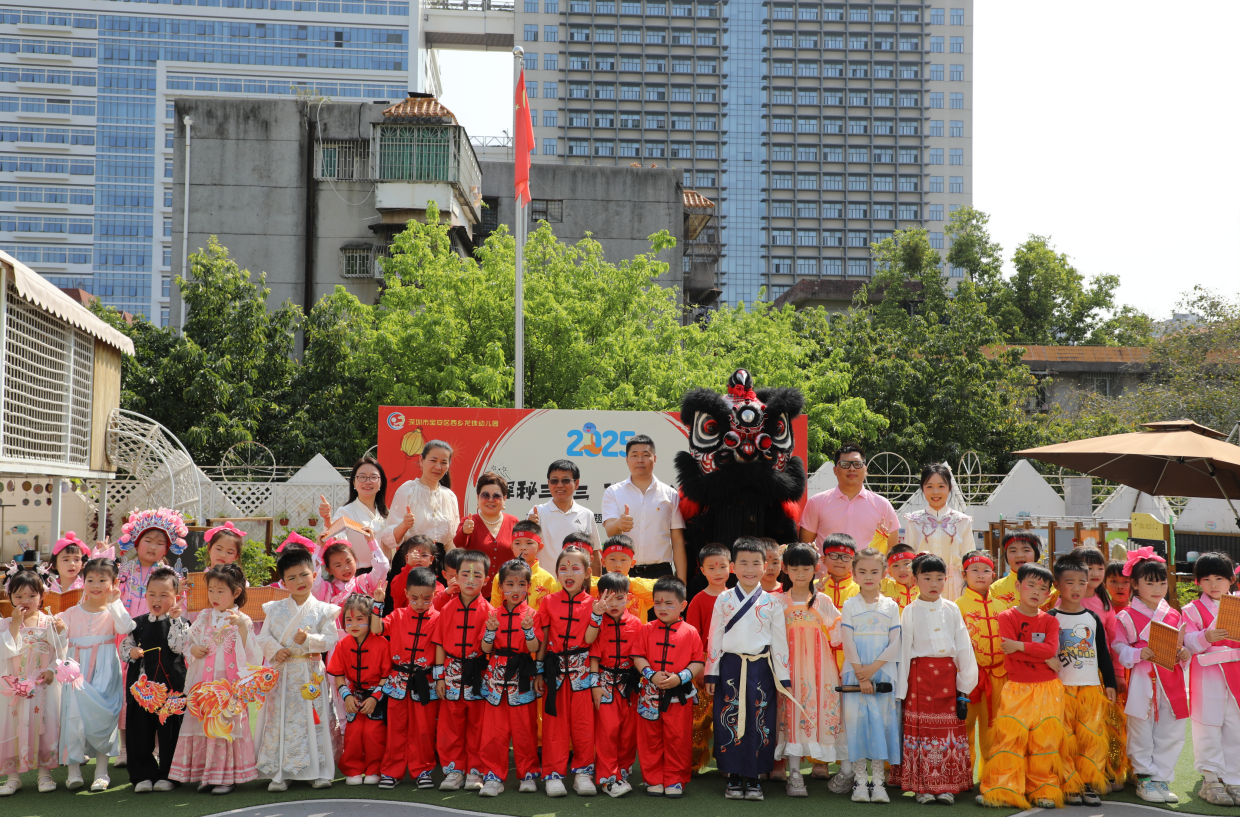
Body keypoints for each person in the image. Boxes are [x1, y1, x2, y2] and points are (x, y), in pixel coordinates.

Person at [703, 537, 792, 802]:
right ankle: (732, 776)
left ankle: (754, 778)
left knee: (759, 720)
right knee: (727, 718)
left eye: (756, 563)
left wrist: (784, 678)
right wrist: (712, 672)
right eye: (743, 563)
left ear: (766, 567)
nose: (749, 568)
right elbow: (714, 636)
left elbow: (779, 642)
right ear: (733, 567)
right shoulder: (724, 599)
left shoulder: (773, 603)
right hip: (730, 667)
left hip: (761, 668)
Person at [977, 563, 1065, 810]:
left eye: (1043, 588)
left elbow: (1049, 649)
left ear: (1049, 594)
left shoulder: (1049, 621)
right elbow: (1008, 651)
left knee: (1044, 742)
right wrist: (1043, 657)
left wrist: (1022, 646)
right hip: (1017, 687)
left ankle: (1042, 789)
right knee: (1009, 739)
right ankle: (1003, 789)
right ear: (1018, 585)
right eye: (1031, 585)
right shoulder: (1006, 616)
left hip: (1048, 688)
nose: (1037, 591)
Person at [170, 563, 261, 793]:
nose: (214, 596)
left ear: (236, 593)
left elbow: (252, 654)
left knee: (224, 726)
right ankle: (206, 775)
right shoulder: (203, 616)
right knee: (202, 725)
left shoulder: (243, 619)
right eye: (211, 590)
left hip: (227, 686)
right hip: (204, 683)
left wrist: (241, 627)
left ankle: (224, 777)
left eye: (221, 591)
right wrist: (194, 650)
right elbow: (189, 642)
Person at [256, 548, 341, 791]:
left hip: (311, 671)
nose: (299, 582)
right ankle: (281, 772)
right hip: (283, 673)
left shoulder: (325, 609)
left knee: (315, 719)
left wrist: (309, 640)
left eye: (304, 575)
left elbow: (330, 639)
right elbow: (263, 638)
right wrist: (275, 650)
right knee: (281, 719)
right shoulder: (274, 608)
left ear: (315, 574)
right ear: (283, 582)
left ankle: (321, 771)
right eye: (291, 578)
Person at [896, 553, 978, 804]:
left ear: (946, 580)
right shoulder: (909, 612)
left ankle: (946, 786)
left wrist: (964, 686)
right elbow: (904, 651)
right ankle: (923, 788)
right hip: (919, 678)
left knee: (947, 732)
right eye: (927, 577)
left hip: (947, 677)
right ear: (915, 579)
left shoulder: (952, 608)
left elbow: (963, 647)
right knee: (923, 732)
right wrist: (902, 691)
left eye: (939, 578)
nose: (933, 584)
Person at [115, 507, 188, 765]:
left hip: (162, 640)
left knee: (160, 689)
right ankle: (126, 748)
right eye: (148, 540)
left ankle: (157, 746)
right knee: (128, 694)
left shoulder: (172, 576)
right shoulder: (122, 572)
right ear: (136, 541)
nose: (153, 546)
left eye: (160, 542)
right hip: (129, 638)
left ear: (167, 548)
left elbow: (181, 610)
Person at [1114, 548, 1188, 803]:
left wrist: (1182, 653)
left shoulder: (1173, 613)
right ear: (1134, 584)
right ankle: (1144, 776)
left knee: (1172, 726)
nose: (1158, 588)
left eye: (1162, 582)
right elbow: (1118, 647)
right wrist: (1137, 653)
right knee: (1141, 725)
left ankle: (1162, 777)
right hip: (1143, 677)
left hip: (1171, 675)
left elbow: (1180, 644)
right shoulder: (1124, 615)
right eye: (1149, 582)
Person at [57, 556, 135, 792]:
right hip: (76, 672)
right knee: (73, 716)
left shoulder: (113, 611)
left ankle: (102, 771)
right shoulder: (70, 612)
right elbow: (57, 638)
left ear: (113, 583)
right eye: (90, 579)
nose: (96, 585)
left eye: (103, 579)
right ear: (83, 582)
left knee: (105, 717)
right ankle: (73, 771)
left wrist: (115, 603)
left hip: (106, 670)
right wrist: (58, 629)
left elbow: (126, 627)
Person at [774, 543, 844, 797]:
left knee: (824, 709)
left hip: (820, 668)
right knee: (792, 712)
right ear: (785, 569)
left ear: (816, 569)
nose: (801, 573)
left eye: (806, 568)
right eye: (795, 568)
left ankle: (843, 769)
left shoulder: (822, 600)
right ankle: (794, 775)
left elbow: (839, 632)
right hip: (790, 669)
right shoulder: (778, 601)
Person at [534, 545, 603, 796]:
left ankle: (583, 773)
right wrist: (539, 672)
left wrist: (596, 615)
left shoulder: (594, 603)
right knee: (553, 725)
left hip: (582, 673)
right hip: (554, 673)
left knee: (584, 726)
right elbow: (542, 640)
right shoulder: (549, 602)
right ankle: (553, 773)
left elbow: (589, 639)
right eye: (563, 568)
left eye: (575, 568)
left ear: (587, 573)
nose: (569, 573)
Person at [1050, 557, 1117, 806]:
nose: (1076, 588)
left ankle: (1088, 782)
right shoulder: (1050, 618)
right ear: (1057, 584)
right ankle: (1069, 783)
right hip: (1061, 689)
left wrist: (1109, 683)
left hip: (1090, 688)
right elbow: (1043, 651)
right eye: (1070, 582)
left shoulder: (1093, 618)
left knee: (1091, 737)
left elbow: (1103, 654)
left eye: (1082, 582)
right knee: (1065, 737)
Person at [632, 576, 705, 799]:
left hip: (678, 696)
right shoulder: (645, 629)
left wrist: (680, 677)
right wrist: (650, 674)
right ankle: (653, 778)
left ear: (683, 605)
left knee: (678, 737)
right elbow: (638, 656)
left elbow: (698, 661)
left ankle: (675, 779)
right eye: (657, 602)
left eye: (669, 603)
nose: (661, 608)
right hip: (649, 695)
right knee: (649, 738)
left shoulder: (690, 631)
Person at [838, 545, 902, 801]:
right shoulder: (850, 604)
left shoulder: (891, 606)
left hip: (882, 673)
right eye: (862, 571)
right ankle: (860, 783)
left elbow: (895, 642)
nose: (868, 576)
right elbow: (847, 640)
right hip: (854, 673)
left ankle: (879, 783)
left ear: (884, 573)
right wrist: (860, 673)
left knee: (881, 724)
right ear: (853, 574)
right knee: (856, 724)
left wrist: (873, 669)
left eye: (874, 571)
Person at [122, 565, 189, 794]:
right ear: (145, 594)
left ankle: (170, 775)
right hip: (140, 688)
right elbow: (125, 646)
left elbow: (179, 646)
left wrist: (176, 621)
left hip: (171, 688)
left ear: (175, 598)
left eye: (164, 595)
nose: (156, 599)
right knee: (139, 731)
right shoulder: (137, 623)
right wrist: (131, 652)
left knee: (171, 731)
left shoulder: (180, 623)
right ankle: (142, 775)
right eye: (151, 594)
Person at [371, 568, 440, 790]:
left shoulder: (439, 619)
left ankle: (423, 771)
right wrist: (377, 604)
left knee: (424, 728)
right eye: (414, 597)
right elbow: (376, 629)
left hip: (425, 681)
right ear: (406, 593)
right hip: (398, 681)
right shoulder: (398, 615)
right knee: (396, 728)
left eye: (426, 598)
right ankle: (392, 771)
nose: (420, 603)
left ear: (434, 595)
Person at [478, 559, 541, 797]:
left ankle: (528, 774)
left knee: (525, 730)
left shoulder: (534, 614)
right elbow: (485, 649)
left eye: (521, 584)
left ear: (529, 587)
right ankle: (493, 776)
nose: (515, 590)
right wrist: (490, 632)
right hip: (496, 678)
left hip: (522, 676)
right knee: (494, 731)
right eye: (510, 584)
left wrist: (528, 630)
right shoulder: (493, 614)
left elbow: (535, 646)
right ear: (500, 586)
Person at [0, 567, 66, 794]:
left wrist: (51, 669)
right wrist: (16, 624)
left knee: (43, 727)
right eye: (18, 596)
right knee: (13, 726)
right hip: (14, 687)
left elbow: (60, 651)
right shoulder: (5, 623)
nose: (24, 601)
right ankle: (12, 776)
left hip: (41, 687)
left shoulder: (50, 621)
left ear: (42, 596)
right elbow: (5, 651)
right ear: (9, 597)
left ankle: (44, 774)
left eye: (31, 596)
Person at [431, 550, 493, 792]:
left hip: (478, 674)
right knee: (451, 726)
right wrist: (440, 678)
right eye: (464, 574)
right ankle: (454, 771)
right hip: (452, 673)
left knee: (478, 726)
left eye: (477, 575)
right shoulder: (446, 609)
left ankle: (475, 771)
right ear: (455, 576)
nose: (470, 579)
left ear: (486, 580)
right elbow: (438, 645)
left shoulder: (490, 611)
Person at [1182, 551, 1240, 806]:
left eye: (1219, 578)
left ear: (1231, 580)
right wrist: (1206, 637)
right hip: (1207, 673)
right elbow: (1186, 642)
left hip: (1235, 672)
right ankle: (1210, 779)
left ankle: (1234, 778)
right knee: (1207, 724)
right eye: (1206, 579)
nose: (1213, 584)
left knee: (1234, 725)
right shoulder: (1191, 610)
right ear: (1198, 582)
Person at [601, 435, 686, 582]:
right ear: (627, 459)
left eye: (646, 455)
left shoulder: (670, 495)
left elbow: (677, 542)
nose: (640, 460)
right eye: (634, 455)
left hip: (660, 574)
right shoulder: (613, 492)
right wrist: (618, 524)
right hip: (623, 573)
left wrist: (682, 582)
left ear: (655, 458)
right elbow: (610, 531)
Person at [326, 593, 391, 786]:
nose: (353, 624)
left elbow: (387, 676)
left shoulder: (383, 644)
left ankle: (374, 768)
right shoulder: (343, 644)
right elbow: (337, 673)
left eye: (360, 619)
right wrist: (346, 696)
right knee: (353, 734)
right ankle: (353, 769)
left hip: (377, 697)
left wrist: (374, 699)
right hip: (353, 696)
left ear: (371, 619)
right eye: (349, 620)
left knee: (374, 734)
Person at [590, 572, 643, 798]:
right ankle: (607, 778)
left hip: (630, 685)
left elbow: (641, 655)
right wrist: (595, 685)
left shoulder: (637, 623)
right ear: (600, 597)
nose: (613, 604)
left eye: (619, 598)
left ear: (628, 598)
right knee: (607, 731)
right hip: (605, 683)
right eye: (608, 598)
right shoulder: (597, 623)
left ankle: (623, 768)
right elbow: (592, 655)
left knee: (628, 731)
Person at [799, 444, 899, 554]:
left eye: (857, 464)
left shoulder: (882, 505)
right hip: (826, 571)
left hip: (867, 571)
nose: (852, 469)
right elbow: (805, 549)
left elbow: (892, 551)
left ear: (865, 470)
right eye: (845, 464)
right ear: (835, 470)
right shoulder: (817, 502)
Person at [957, 550, 1005, 776]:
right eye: (974, 570)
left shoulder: (1002, 607)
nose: (980, 575)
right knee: (964, 726)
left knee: (992, 727)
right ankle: (962, 774)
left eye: (986, 570)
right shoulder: (957, 605)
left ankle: (991, 774)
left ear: (993, 575)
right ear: (963, 574)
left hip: (997, 677)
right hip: (968, 677)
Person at [685, 543, 730, 774]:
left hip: (731, 663)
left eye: (722, 566)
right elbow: (692, 638)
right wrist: (699, 668)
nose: (718, 572)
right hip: (704, 664)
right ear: (702, 570)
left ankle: (726, 762)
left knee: (727, 716)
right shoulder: (698, 600)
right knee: (699, 719)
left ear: (731, 567)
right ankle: (692, 763)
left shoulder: (736, 597)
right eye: (711, 567)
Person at [380, 440, 461, 560]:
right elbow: (389, 539)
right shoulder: (407, 491)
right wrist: (404, 525)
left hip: (441, 564)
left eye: (443, 462)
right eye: (433, 461)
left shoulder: (450, 497)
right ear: (421, 460)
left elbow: (451, 541)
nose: (438, 467)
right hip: (412, 562)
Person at [903, 464, 973, 600]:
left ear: (949, 488)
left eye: (941, 486)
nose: (935, 492)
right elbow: (908, 558)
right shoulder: (914, 521)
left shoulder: (962, 521)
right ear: (922, 489)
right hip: (922, 585)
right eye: (929, 486)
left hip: (955, 586)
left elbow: (969, 559)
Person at [454, 472, 519, 596]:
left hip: (507, 595)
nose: (490, 500)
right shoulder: (469, 522)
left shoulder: (514, 522)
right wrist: (464, 532)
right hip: (475, 594)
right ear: (478, 498)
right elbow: (458, 545)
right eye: (485, 495)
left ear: (504, 499)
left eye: (496, 496)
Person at [529, 459, 602, 570]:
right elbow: (526, 549)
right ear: (548, 483)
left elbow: (594, 553)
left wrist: (596, 585)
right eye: (554, 481)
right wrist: (529, 528)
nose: (559, 485)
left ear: (576, 483)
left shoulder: (587, 514)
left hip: (577, 585)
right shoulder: (537, 512)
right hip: (544, 586)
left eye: (566, 480)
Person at [319, 456, 389, 567]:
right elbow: (334, 542)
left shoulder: (385, 514)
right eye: (362, 477)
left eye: (373, 477)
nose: (368, 481)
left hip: (383, 575)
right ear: (354, 483)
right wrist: (327, 519)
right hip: (357, 578)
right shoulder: (345, 512)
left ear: (381, 483)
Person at [490, 521, 560, 610]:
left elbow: (552, 609)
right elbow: (495, 609)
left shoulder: (548, 579)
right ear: (512, 547)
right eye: (517, 543)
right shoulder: (501, 576)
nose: (523, 547)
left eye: (529, 543)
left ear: (540, 547)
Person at [590, 535, 656, 620]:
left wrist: (624, 583)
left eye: (623, 560)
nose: (618, 564)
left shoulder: (638, 586)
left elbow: (662, 591)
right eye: (612, 559)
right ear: (603, 562)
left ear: (632, 563)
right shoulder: (595, 585)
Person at [990, 530, 1058, 611]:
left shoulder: (1053, 588)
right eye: (1013, 551)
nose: (1019, 555)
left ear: (1036, 554)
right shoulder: (996, 589)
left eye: (1026, 550)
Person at [313, 539, 389, 606]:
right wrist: (319, 548)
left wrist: (372, 542)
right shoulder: (327, 590)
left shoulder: (365, 582)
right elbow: (312, 579)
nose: (345, 568)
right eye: (338, 565)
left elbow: (383, 567)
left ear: (355, 561)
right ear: (329, 570)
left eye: (348, 562)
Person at [386, 536, 441, 616]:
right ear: (406, 558)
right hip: (404, 623)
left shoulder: (438, 585)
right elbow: (397, 594)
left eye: (424, 555)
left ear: (431, 559)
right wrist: (408, 567)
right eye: (414, 555)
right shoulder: (399, 579)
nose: (418, 559)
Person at [880, 543, 919, 611]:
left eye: (906, 564)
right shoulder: (885, 585)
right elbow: (873, 558)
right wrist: (880, 537)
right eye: (895, 565)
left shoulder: (924, 587)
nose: (901, 569)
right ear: (889, 571)